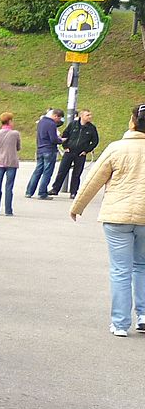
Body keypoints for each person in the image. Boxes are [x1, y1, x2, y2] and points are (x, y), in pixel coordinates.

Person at [71, 104, 145, 336]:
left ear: (132, 122)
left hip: (117, 216)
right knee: (142, 266)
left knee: (120, 270)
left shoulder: (117, 148)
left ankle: (120, 323)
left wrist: (77, 206)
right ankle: (143, 316)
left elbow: (94, 179)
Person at [51, 109, 99, 198]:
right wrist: (65, 147)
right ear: (81, 116)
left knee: (77, 174)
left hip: (80, 153)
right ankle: (55, 189)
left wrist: (86, 150)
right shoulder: (73, 125)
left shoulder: (91, 128)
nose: (90, 117)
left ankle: (73, 192)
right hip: (69, 151)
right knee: (62, 171)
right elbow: (65, 135)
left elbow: (95, 141)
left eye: (90, 115)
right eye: (87, 115)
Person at [24, 108, 64, 199]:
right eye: (59, 118)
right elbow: (53, 139)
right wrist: (61, 140)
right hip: (49, 150)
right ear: (55, 116)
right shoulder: (51, 124)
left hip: (40, 149)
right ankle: (42, 193)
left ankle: (29, 192)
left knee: (37, 171)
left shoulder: (41, 122)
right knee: (47, 172)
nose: (59, 121)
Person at [0, 111, 20, 216]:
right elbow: (18, 147)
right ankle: (8, 210)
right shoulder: (15, 134)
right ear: (10, 121)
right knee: (9, 186)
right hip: (11, 162)